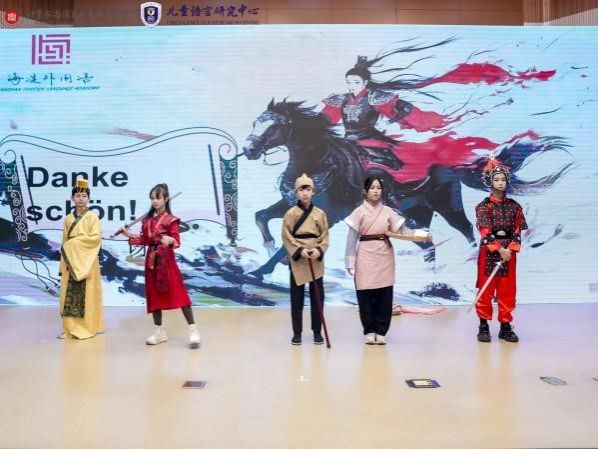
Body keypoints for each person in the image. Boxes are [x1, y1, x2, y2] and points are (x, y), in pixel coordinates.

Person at [345, 176, 432, 345]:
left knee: (384, 296)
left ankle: (381, 331)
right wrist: (350, 262)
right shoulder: (359, 212)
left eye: (378, 188)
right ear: (365, 191)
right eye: (372, 188)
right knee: (365, 296)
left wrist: (423, 235)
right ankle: (369, 330)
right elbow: (351, 239)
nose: (376, 191)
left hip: (384, 255)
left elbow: (404, 231)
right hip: (365, 255)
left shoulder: (388, 211)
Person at [119, 183, 200, 348]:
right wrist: (129, 235)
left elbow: (177, 242)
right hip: (151, 261)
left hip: (166, 261)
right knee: (154, 295)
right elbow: (145, 240)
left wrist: (170, 240)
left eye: (158, 198)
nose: (154, 201)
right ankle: (159, 332)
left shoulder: (171, 220)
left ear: (166, 199)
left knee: (180, 294)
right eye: (152, 198)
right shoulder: (148, 221)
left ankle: (193, 329)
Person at [474, 160, 527, 343]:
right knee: (486, 289)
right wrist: (499, 249)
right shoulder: (483, 206)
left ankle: (505, 326)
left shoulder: (515, 206)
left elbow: (517, 230)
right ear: (490, 182)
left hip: (509, 254)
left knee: (507, 290)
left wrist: (510, 249)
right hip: (489, 252)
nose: (500, 183)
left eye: (503, 179)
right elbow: (484, 230)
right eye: (496, 179)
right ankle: (483, 325)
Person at [281, 173, 329, 346]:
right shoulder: (290, 214)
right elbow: (286, 236)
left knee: (317, 298)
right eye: (301, 190)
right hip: (298, 258)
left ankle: (317, 331)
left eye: (308, 189)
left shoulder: (320, 214)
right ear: (296, 193)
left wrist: (318, 250)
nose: (305, 193)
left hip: (315, 258)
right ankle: (297, 333)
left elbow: (325, 236)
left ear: (313, 192)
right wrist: (299, 250)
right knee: (297, 298)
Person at [59, 178, 104, 339]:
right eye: (77, 196)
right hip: (71, 261)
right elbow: (65, 242)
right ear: (72, 198)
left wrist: (75, 243)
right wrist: (63, 262)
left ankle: (87, 327)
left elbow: (96, 238)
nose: (81, 199)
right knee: (67, 295)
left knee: (88, 296)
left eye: (84, 196)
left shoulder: (92, 217)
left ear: (89, 199)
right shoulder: (68, 219)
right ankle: (69, 329)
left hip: (87, 261)